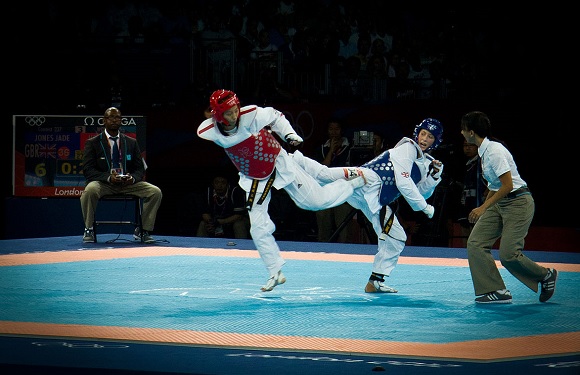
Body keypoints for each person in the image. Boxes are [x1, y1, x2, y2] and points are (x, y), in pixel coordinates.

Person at [196, 89, 366, 292]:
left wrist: (289, 135)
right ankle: (275, 272)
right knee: (257, 227)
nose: (234, 116)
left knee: (314, 202)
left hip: (278, 162)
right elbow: (206, 121)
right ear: (217, 115)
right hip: (254, 178)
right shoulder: (208, 131)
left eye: (235, 110)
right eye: (227, 113)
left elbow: (276, 116)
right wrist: (214, 113)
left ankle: (352, 184)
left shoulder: (250, 114)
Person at [293, 118, 445, 293]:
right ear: (417, 133)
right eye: (423, 134)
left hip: (376, 200)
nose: (424, 139)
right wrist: (424, 207)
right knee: (325, 175)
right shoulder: (408, 147)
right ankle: (288, 159)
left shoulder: (427, 163)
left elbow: (421, 191)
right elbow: (404, 184)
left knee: (396, 237)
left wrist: (433, 178)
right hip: (365, 179)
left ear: (436, 141)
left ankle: (375, 281)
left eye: (430, 136)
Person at [460, 111, 557, 304]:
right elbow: (494, 184)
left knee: (508, 255)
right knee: (475, 243)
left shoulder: (494, 151)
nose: (461, 132)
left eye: (463, 129)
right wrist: (486, 203)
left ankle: (546, 275)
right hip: (499, 202)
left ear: (471, 132)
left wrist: (482, 208)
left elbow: (508, 185)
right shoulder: (483, 150)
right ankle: (495, 290)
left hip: (518, 202)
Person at [80, 107, 162, 244]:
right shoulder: (93, 143)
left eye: (117, 117)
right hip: (104, 184)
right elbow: (88, 170)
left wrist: (133, 178)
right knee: (90, 190)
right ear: (104, 121)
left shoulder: (131, 142)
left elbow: (140, 168)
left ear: (121, 121)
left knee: (155, 192)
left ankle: (143, 230)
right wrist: (107, 177)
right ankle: (89, 229)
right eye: (111, 117)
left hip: (127, 184)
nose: (114, 120)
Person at [314, 119, 356, 243]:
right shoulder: (321, 149)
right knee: (323, 230)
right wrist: (331, 150)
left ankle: (344, 256)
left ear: (342, 130)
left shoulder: (351, 148)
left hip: (343, 195)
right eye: (331, 129)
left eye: (336, 129)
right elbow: (322, 170)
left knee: (344, 231)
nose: (334, 132)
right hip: (324, 194)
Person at [454, 140, 488, 247]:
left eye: (471, 145)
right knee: (465, 235)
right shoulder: (467, 165)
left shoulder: (483, 163)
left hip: (478, 206)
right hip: (466, 205)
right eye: (465, 145)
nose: (467, 148)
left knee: (476, 240)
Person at [197, 174, 250, 239]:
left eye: (223, 183)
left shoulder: (235, 192)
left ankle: (242, 247)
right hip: (216, 221)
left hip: (232, 221)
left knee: (238, 224)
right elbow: (204, 213)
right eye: (217, 182)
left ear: (227, 184)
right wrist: (211, 222)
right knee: (203, 224)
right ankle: (199, 247)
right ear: (213, 184)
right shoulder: (208, 192)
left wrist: (220, 222)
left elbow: (238, 216)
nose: (219, 185)